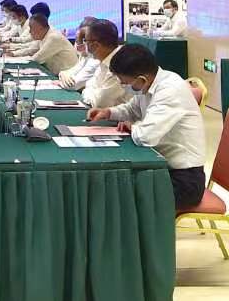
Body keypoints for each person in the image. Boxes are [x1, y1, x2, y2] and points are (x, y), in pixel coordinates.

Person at [87, 44, 206, 210]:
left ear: (141, 79)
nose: (123, 86)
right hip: (162, 167)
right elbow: (132, 109)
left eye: (125, 83)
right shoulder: (150, 84)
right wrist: (108, 112)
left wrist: (133, 127)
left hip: (183, 180)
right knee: (111, 185)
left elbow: (145, 137)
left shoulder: (170, 90)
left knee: (117, 195)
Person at [80, 19, 131, 108]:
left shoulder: (121, 63)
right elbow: (90, 84)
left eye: (85, 40)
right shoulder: (105, 59)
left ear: (95, 45)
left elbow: (101, 102)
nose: (85, 44)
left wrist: (87, 92)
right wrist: (91, 92)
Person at [8, 14, 77, 75]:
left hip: (67, 77)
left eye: (31, 28)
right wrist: (13, 54)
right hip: (56, 73)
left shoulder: (54, 37)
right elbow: (31, 49)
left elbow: (36, 59)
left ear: (39, 28)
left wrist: (12, 60)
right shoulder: (43, 34)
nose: (29, 31)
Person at [58, 17, 99, 91]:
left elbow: (72, 85)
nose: (78, 48)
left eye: (83, 41)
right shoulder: (87, 56)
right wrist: (63, 74)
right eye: (77, 41)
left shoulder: (95, 60)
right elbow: (67, 72)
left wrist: (63, 78)